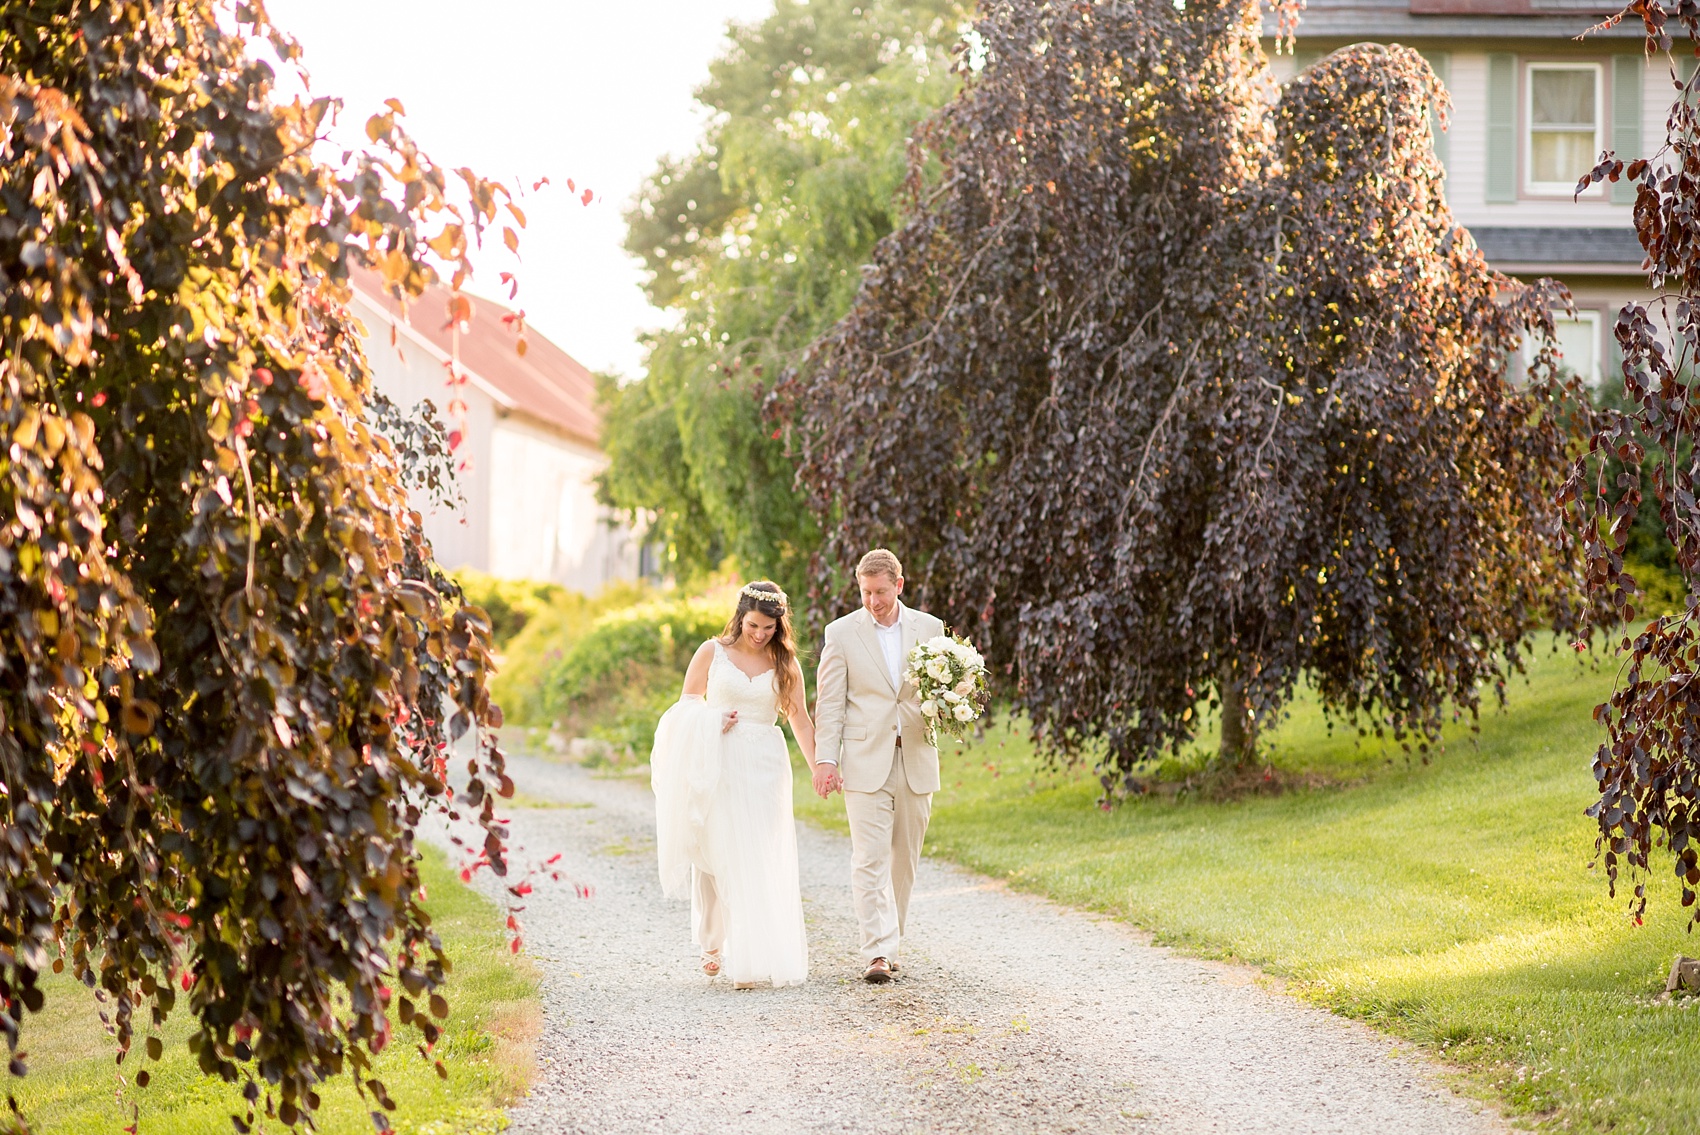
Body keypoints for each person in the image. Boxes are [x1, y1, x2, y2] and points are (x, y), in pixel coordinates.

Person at [650, 581, 821, 988]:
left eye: (769, 628)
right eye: (754, 625)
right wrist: (711, 720)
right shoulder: (712, 652)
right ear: (740, 617)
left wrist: (820, 767)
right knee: (718, 848)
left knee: (759, 852)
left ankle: (752, 954)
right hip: (719, 761)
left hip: (764, 763)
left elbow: (799, 720)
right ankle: (712, 942)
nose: (760, 634)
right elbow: (684, 707)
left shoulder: (786, 664)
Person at [812, 548, 946, 984]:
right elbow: (830, 703)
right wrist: (826, 759)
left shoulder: (930, 628)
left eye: (881, 592)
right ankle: (877, 952)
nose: (873, 601)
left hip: (916, 758)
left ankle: (892, 942)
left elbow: (942, 692)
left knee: (903, 860)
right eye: (866, 592)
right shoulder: (841, 633)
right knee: (868, 858)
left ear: (899, 586)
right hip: (864, 761)